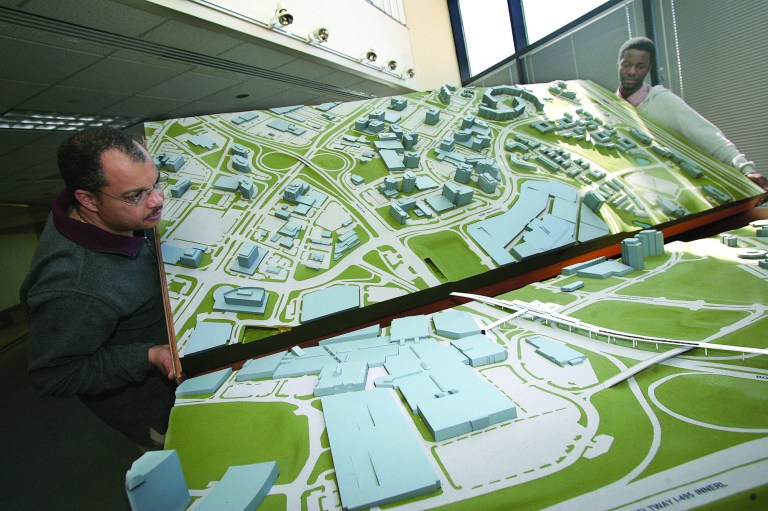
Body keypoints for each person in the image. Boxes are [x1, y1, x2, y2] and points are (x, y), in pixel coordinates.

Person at [20, 126, 176, 450]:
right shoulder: (75, 288)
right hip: (157, 408)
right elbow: (54, 375)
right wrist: (147, 356)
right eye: (136, 195)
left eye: (155, 183)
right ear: (88, 200)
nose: (157, 200)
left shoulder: (93, 204)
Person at [617, 36, 768, 195]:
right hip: (630, 190)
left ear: (649, 68)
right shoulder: (606, 107)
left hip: (669, 190)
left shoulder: (664, 101)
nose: (632, 72)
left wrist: (745, 169)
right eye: (627, 65)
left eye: (640, 66)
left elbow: (708, 136)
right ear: (618, 64)